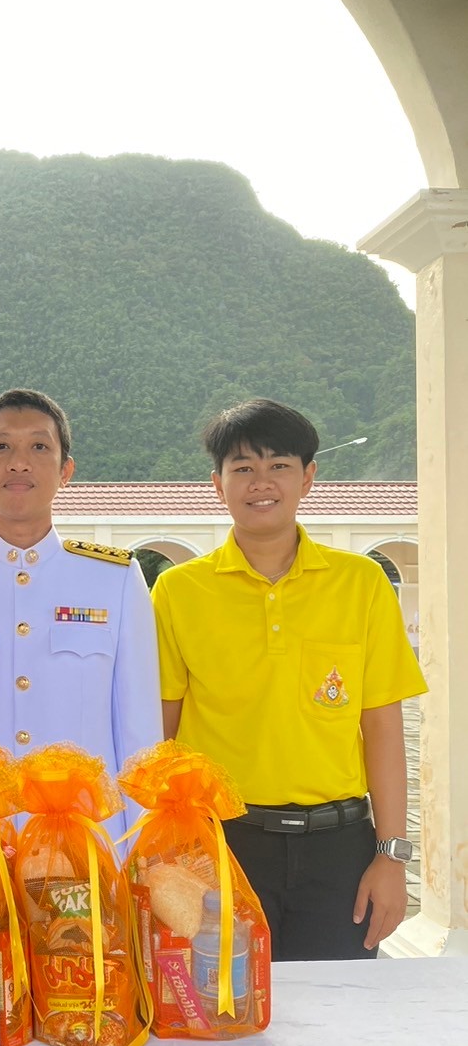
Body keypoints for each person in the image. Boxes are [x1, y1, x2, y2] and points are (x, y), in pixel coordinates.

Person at [151, 398, 427, 960]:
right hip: (221, 845)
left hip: (339, 847)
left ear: (308, 477)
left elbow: (382, 729)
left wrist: (392, 856)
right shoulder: (179, 592)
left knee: (338, 1019)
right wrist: (165, 851)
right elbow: (162, 736)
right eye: (242, 468)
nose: (261, 482)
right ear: (217, 483)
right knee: (219, 1017)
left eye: (278, 465)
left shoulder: (361, 583)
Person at [0, 388, 161, 831]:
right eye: (2, 446)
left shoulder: (116, 577)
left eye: (39, 447)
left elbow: (140, 732)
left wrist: (139, 850)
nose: (19, 462)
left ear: (66, 470)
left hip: (88, 844)